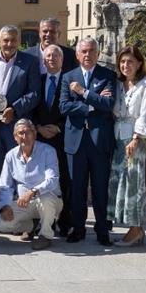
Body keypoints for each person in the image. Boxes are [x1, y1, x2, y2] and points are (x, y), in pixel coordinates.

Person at [58, 36, 116, 244]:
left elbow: (108, 104)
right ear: (77, 54)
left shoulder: (108, 75)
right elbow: (63, 107)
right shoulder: (68, 76)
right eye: (83, 51)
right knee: (77, 188)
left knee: (100, 188)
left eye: (91, 51)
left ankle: (102, 230)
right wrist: (92, 104)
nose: (87, 55)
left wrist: (83, 93)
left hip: (99, 141)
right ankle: (79, 228)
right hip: (76, 142)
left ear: (98, 54)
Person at [0, 26, 41, 222]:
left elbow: (34, 94)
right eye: (6, 40)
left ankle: (23, 221)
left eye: (13, 40)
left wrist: (14, 109)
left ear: (19, 41)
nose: (9, 44)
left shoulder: (30, 62)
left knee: (21, 174)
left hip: (16, 127)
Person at [107, 45, 146, 246]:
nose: (126, 65)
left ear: (139, 64)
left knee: (135, 184)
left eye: (130, 62)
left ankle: (136, 229)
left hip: (135, 140)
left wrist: (136, 138)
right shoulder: (118, 84)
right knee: (122, 184)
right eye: (123, 61)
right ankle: (134, 228)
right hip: (118, 139)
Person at [0, 119, 63, 250]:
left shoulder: (48, 151)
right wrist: (5, 205)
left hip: (50, 200)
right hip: (24, 202)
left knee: (46, 199)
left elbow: (53, 179)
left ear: (35, 134)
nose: (24, 137)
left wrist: (33, 191)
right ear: (15, 137)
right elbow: (5, 184)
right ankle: (32, 226)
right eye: (20, 133)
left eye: (28, 133)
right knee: (2, 224)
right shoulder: (11, 156)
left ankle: (45, 235)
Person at [32, 44, 72, 235]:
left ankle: (63, 223)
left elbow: (74, 110)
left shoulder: (70, 81)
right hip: (39, 139)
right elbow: (31, 107)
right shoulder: (37, 81)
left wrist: (58, 128)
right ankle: (37, 223)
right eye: (48, 56)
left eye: (55, 56)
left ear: (62, 60)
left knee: (63, 181)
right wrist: (38, 128)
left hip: (62, 139)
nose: (51, 59)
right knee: (37, 180)